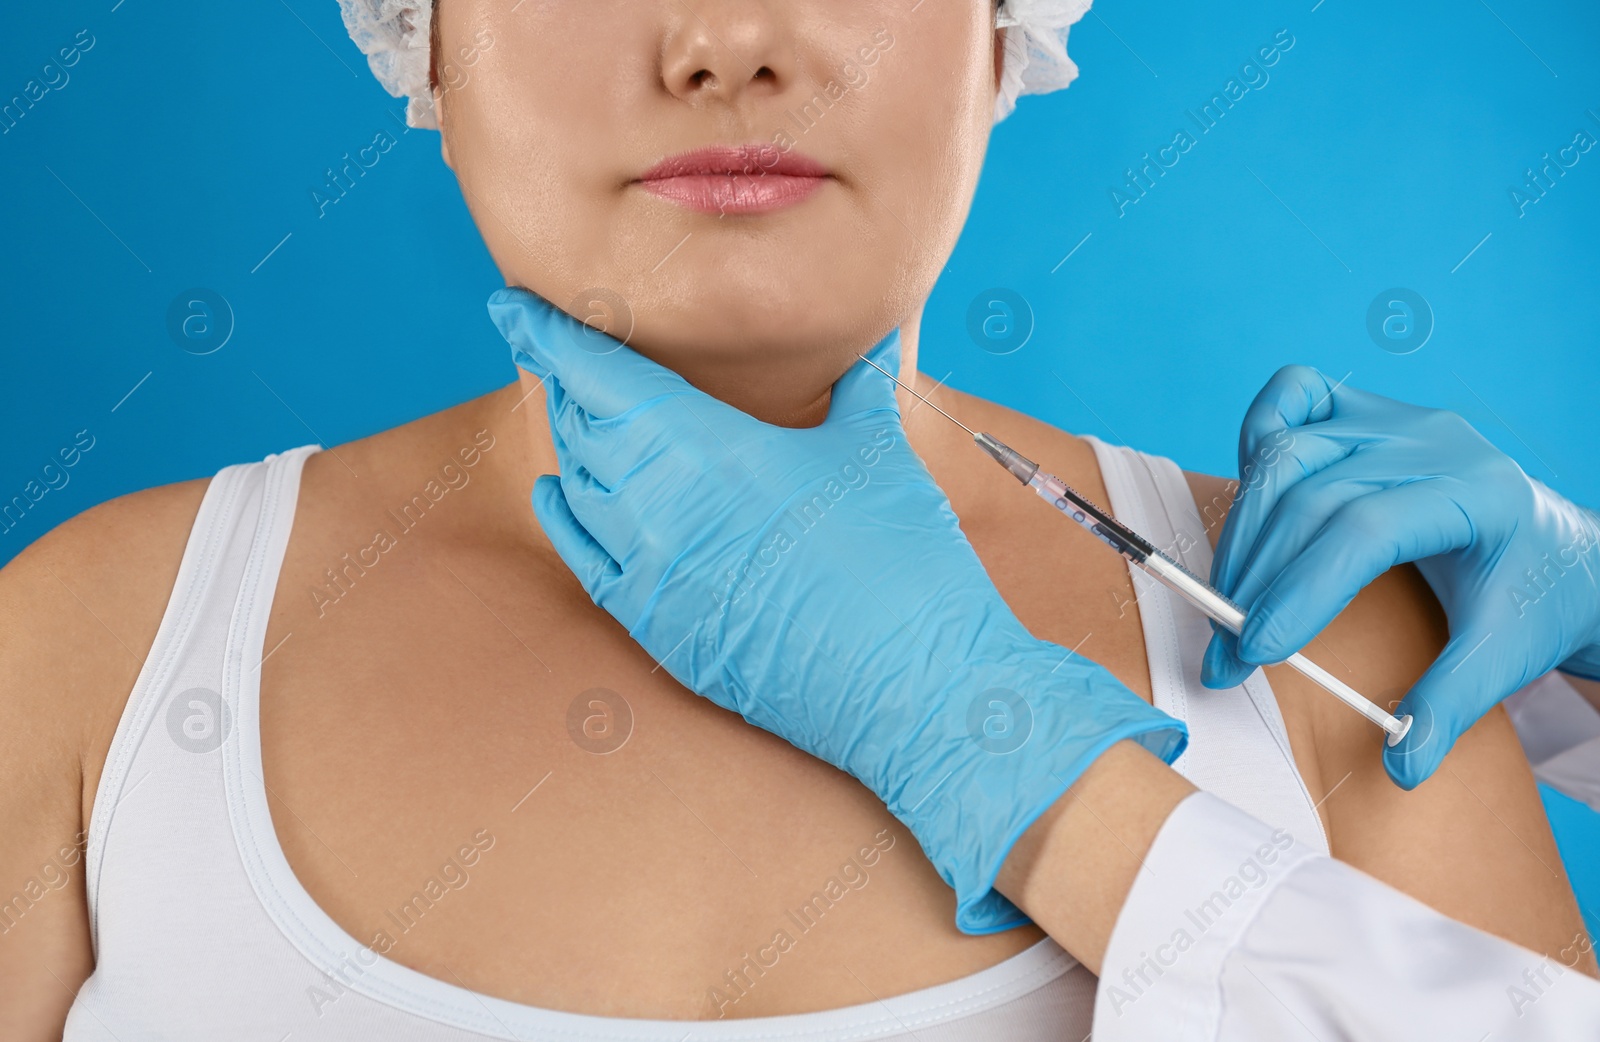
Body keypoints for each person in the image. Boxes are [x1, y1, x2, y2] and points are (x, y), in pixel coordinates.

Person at [0, 0, 1590, 1038]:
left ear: (1001, 29)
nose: (721, 40)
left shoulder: (1330, 632)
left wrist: (1029, 775)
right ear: (426, 35)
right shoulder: (97, 648)